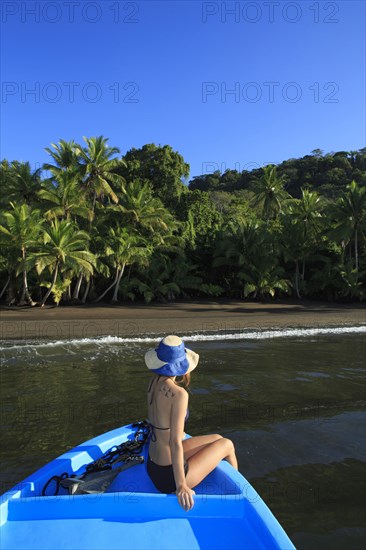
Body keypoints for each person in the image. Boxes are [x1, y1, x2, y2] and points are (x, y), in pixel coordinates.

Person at [145, 334, 238, 512]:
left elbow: (161, 425)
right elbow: (175, 442)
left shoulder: (152, 382)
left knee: (217, 438)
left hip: (153, 464)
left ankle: (233, 486)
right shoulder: (179, 394)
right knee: (227, 444)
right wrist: (181, 486)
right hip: (167, 478)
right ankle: (237, 494)